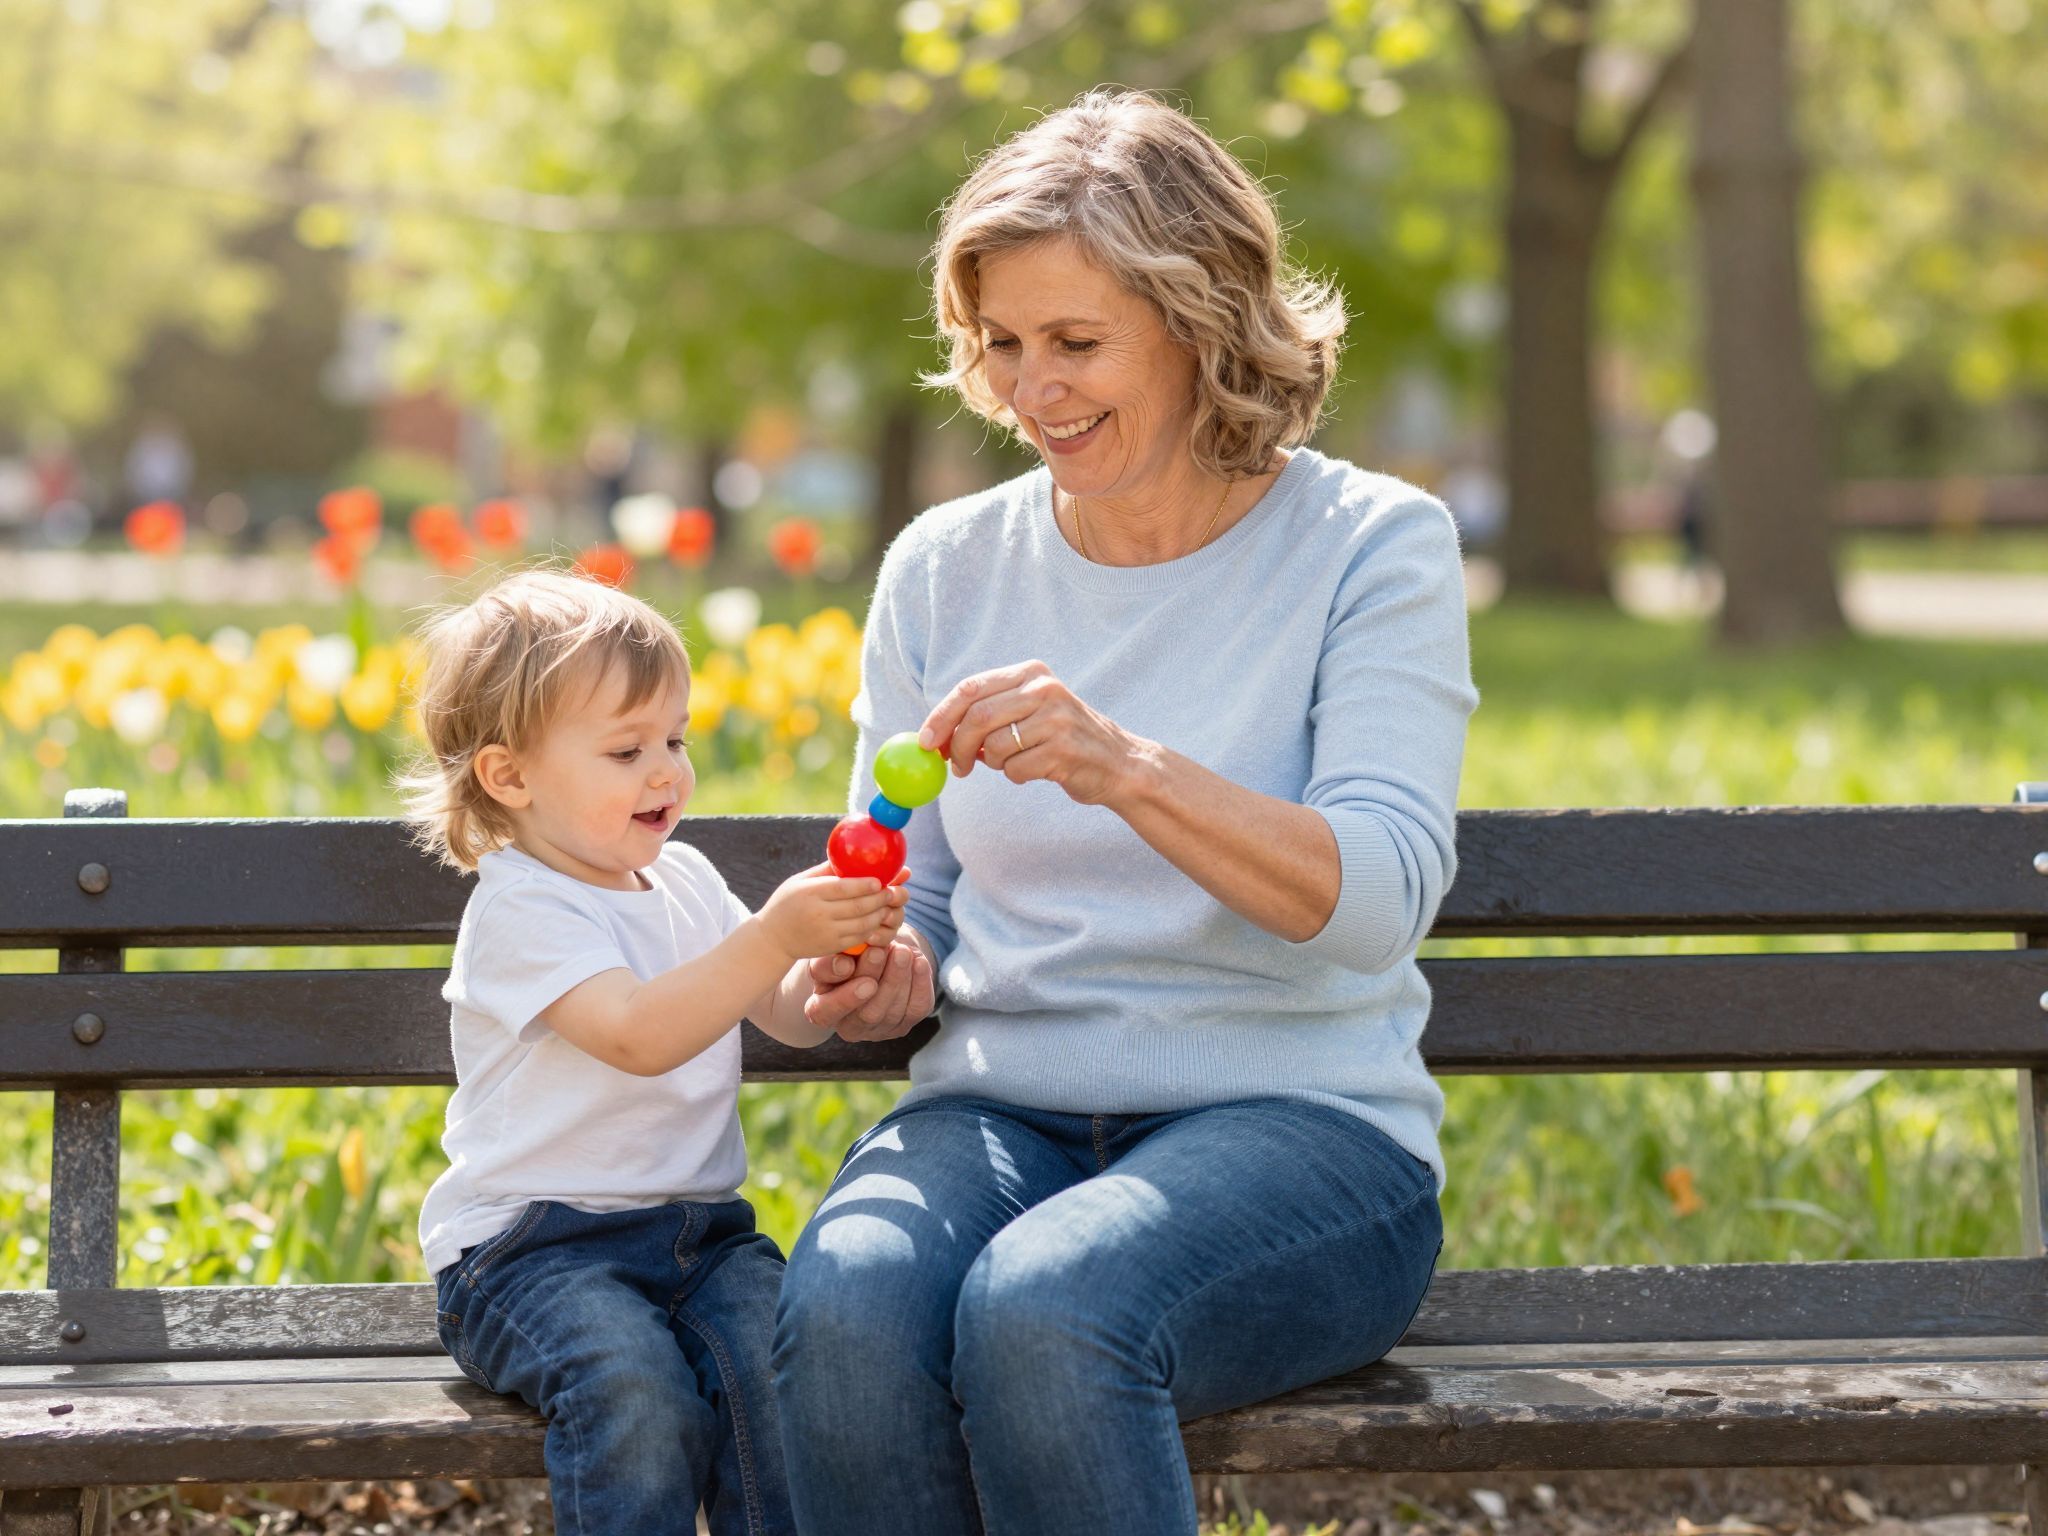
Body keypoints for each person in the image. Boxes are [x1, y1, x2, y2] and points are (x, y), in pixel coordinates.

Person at [774, 89, 1480, 1534]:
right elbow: (913, 893)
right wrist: (886, 968)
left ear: (1199, 320)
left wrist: (1127, 770)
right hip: (1000, 1110)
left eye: (1076, 343)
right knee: (844, 1307)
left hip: (1303, 1131)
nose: (1031, 390)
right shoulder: (942, 568)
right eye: (1003, 344)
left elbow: (1375, 900)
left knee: (1048, 1309)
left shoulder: (1370, 548)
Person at [397, 566, 909, 1535]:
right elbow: (637, 1035)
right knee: (634, 1396)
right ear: (509, 777)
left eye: (675, 739)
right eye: (626, 750)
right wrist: (772, 935)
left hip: (701, 1240)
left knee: (784, 1380)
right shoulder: (521, 909)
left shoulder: (685, 877)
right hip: (533, 1253)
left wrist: (827, 971)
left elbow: (782, 1014)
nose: (667, 772)